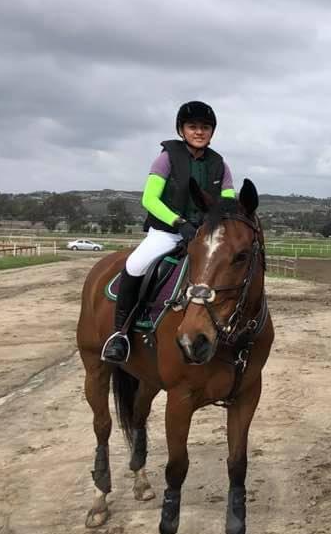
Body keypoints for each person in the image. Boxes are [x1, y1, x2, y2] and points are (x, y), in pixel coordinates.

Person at [101, 101, 236, 363]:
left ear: (212, 132)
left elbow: (227, 203)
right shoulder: (166, 158)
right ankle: (120, 334)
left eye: (205, 127)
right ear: (181, 130)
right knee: (136, 265)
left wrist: (211, 227)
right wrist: (179, 223)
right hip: (167, 232)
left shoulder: (220, 165)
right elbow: (149, 199)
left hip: (204, 235)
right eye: (193, 126)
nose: (199, 132)